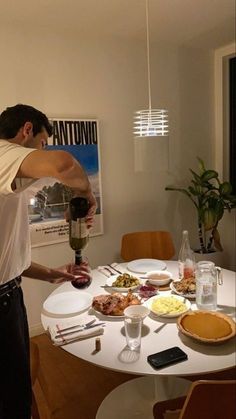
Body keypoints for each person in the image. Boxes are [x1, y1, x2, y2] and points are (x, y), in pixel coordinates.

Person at [0, 104, 97, 419]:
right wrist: (89, 195)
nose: (43, 153)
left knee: (16, 390)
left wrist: (51, 273)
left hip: (9, 297)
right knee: (12, 398)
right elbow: (64, 163)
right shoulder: (4, 153)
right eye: (42, 144)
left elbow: (8, 260)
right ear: (26, 130)